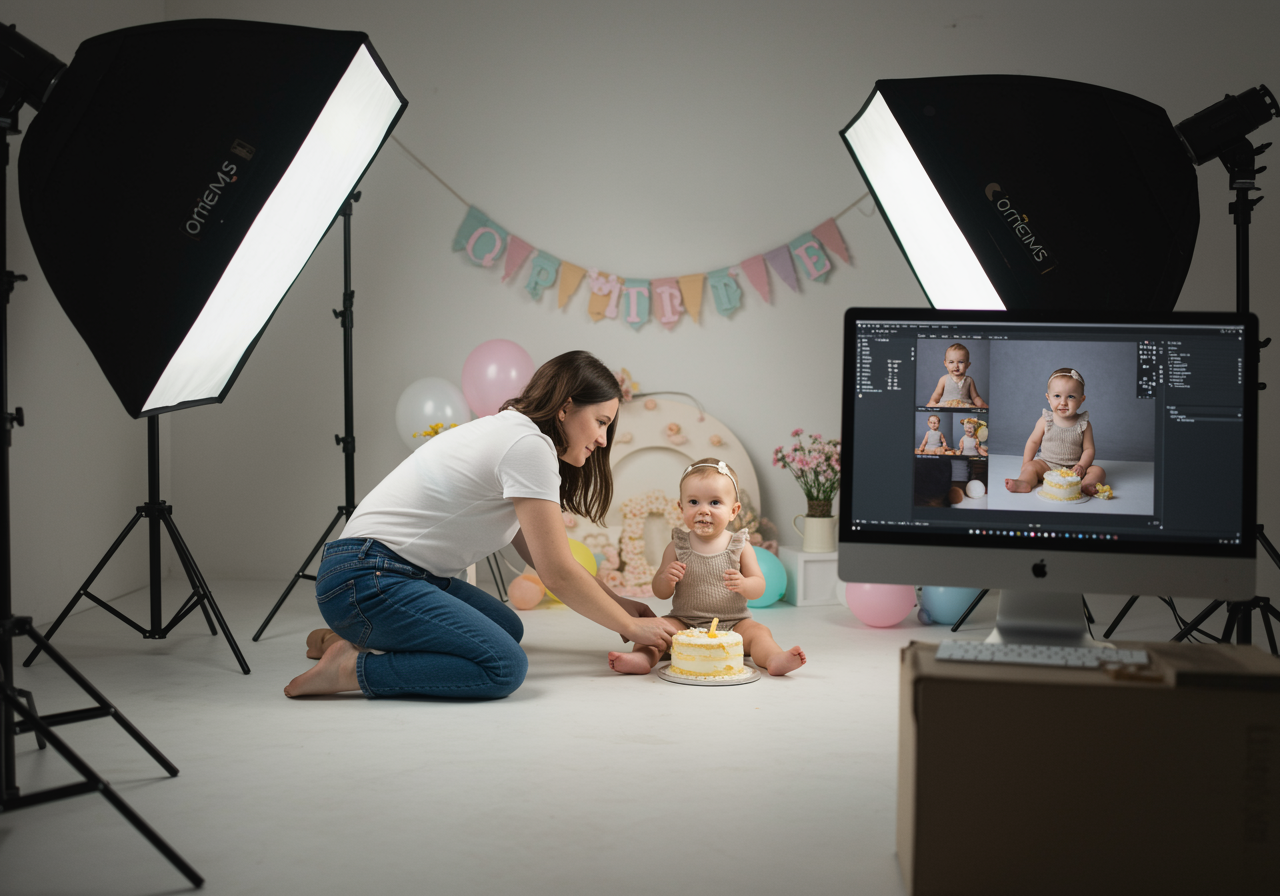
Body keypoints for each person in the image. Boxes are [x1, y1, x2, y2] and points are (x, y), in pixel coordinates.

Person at [285, 351, 681, 699]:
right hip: (366, 579)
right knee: (503, 666)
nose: (603, 439)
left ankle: (343, 638)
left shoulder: (512, 432)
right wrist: (630, 626)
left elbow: (546, 556)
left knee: (506, 628)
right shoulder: (529, 446)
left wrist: (618, 602)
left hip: (380, 573)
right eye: (600, 422)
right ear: (565, 407)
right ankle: (351, 669)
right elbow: (558, 574)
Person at [607, 458, 806, 677]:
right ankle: (642, 657)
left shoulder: (740, 546)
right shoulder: (677, 546)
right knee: (655, 630)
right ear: (681, 507)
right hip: (684, 622)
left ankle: (773, 658)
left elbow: (759, 586)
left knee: (760, 633)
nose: (703, 510)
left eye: (714, 502)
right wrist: (665, 578)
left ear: (733, 510)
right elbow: (660, 592)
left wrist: (744, 584)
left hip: (734, 623)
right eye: (694, 502)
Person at [1004, 367, 1106, 495]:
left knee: (1098, 471)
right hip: (1046, 465)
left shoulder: (1084, 424)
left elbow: (1089, 450)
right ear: (1048, 398)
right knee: (1031, 467)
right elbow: (1033, 442)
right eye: (1057, 396)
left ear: (1081, 400)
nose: (1063, 402)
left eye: (1071, 397)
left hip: (1074, 470)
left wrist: (1081, 466)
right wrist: (1025, 464)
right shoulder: (1046, 420)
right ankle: (1024, 482)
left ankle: (1086, 485)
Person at [926, 343, 989, 408]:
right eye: (951, 362)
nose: (956, 366)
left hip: (964, 406)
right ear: (945, 363)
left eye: (961, 362)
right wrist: (931, 403)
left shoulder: (969, 380)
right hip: (947, 406)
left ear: (968, 365)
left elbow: (975, 397)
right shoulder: (944, 379)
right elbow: (936, 396)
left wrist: (982, 405)